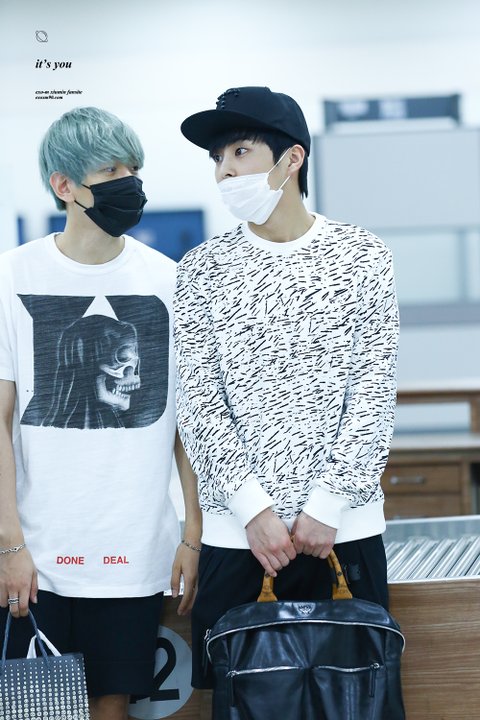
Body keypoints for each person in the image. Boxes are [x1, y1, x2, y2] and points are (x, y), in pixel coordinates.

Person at [174, 86, 399, 696]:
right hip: (238, 537)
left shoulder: (363, 257)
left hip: (343, 531)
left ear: (292, 158)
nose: (224, 171)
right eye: (217, 159)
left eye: (240, 152)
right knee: (243, 705)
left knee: (353, 700)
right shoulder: (200, 269)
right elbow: (199, 403)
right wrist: (253, 511)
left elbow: (373, 394)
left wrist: (328, 505)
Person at [0, 106, 201, 720]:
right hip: (39, 557)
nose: (128, 183)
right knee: (38, 711)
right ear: (64, 185)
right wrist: (9, 545)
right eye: (111, 170)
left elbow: (188, 426)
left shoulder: (171, 281)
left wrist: (192, 536)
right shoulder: (12, 276)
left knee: (110, 709)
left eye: (133, 169)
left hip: (135, 553)